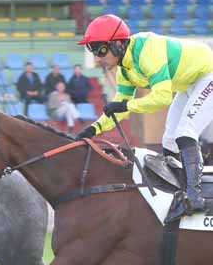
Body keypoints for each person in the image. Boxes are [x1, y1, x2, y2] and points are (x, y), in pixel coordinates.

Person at [75, 14, 213, 220]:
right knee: (169, 142)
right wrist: (94, 129)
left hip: (207, 76)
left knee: (185, 133)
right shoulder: (125, 70)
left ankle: (196, 197)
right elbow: (119, 108)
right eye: (93, 50)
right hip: (187, 83)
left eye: (100, 49)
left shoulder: (148, 50)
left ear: (118, 44)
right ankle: (179, 193)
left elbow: (162, 98)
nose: (97, 57)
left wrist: (126, 105)